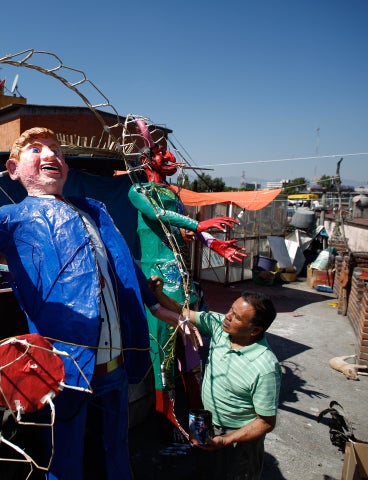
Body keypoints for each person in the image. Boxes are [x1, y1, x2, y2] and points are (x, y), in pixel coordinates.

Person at [0, 71, 184, 480]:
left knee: (116, 447)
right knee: (63, 453)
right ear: (14, 169)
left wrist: (161, 307)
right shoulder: (15, 219)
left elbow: (123, 269)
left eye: (56, 149)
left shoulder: (94, 211)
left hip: (116, 361)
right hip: (63, 364)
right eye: (37, 148)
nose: (51, 154)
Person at [128, 119, 246, 442]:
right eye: (161, 152)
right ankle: (166, 432)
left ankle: (197, 430)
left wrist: (212, 241)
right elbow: (160, 216)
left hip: (182, 282)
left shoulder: (173, 194)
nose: (170, 158)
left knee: (192, 359)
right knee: (163, 363)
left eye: (169, 153)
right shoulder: (138, 191)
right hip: (159, 284)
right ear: (145, 160)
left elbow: (181, 229)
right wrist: (199, 225)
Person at [149, 276, 280, 480]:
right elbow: (182, 312)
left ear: (255, 330)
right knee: (207, 472)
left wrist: (226, 440)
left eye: (236, 317)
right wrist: (158, 294)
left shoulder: (265, 367)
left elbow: (266, 422)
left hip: (239, 439)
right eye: (230, 309)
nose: (227, 316)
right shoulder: (220, 327)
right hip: (208, 426)